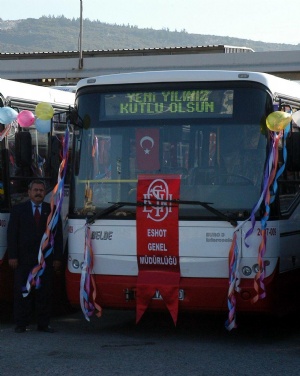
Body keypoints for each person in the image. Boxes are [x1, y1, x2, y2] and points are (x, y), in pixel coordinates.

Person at [7, 179, 63, 333]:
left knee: (43, 292)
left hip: (44, 260)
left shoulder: (51, 210)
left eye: (41, 190)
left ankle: (43, 324)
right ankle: (21, 324)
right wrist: (12, 256)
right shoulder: (18, 210)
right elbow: (12, 235)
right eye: (35, 190)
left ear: (45, 193)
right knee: (22, 292)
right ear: (29, 192)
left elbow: (57, 237)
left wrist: (58, 258)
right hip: (23, 260)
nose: (38, 193)